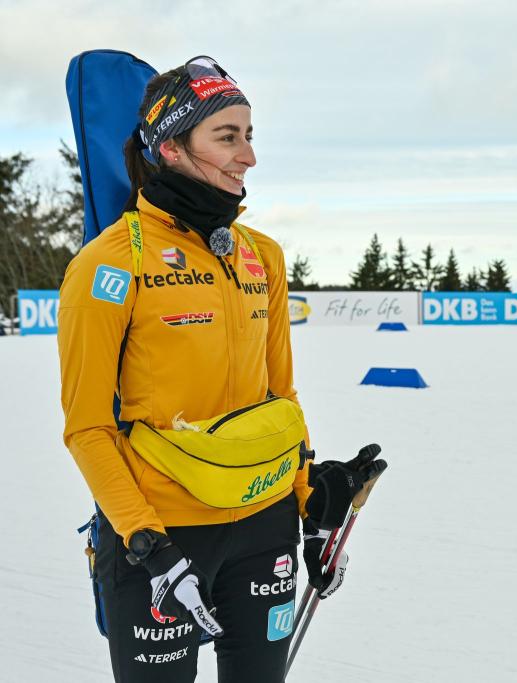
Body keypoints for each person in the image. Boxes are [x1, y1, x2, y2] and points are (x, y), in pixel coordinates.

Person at [58, 56, 385, 682]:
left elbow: (279, 400)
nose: (249, 156)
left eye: (250, 135)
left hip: (264, 529)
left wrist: (309, 503)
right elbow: (88, 428)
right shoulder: (108, 266)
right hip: (162, 538)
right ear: (172, 146)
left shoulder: (263, 255)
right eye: (227, 136)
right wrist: (146, 544)